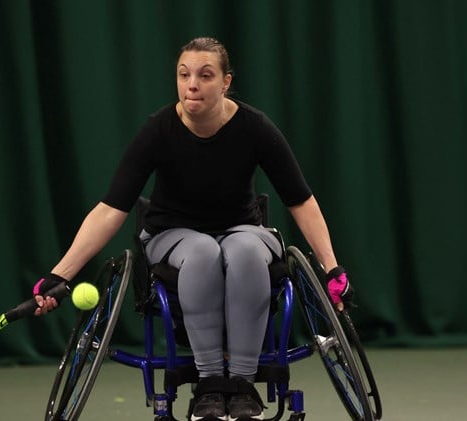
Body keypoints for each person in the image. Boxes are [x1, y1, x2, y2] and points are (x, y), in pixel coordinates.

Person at [32, 37, 353, 421]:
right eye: (184, 75)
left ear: (225, 82)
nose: (192, 84)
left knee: (245, 251)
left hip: (242, 231)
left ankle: (242, 385)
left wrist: (332, 269)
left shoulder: (255, 127)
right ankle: (210, 384)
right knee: (203, 251)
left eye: (204, 75)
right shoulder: (158, 130)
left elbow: (301, 201)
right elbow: (110, 210)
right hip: (173, 236)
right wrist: (60, 273)